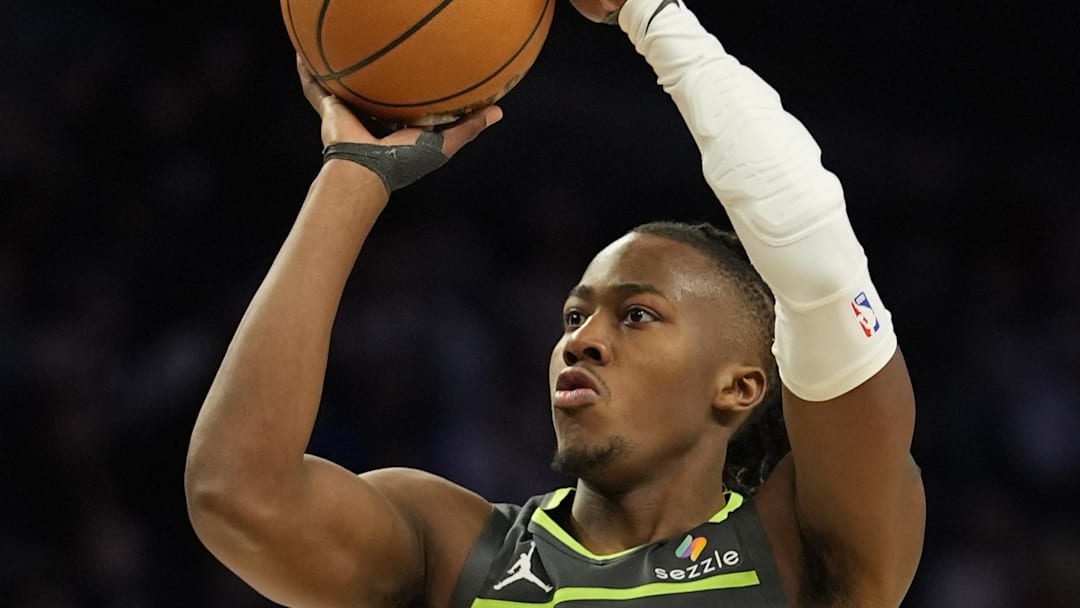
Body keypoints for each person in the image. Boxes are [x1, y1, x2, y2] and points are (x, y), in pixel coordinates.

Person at [184, 0, 925, 606]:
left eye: (636, 315)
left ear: (740, 386)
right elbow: (236, 493)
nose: (583, 340)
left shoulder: (802, 549)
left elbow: (819, 269)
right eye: (575, 316)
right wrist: (352, 176)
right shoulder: (453, 550)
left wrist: (654, 15)